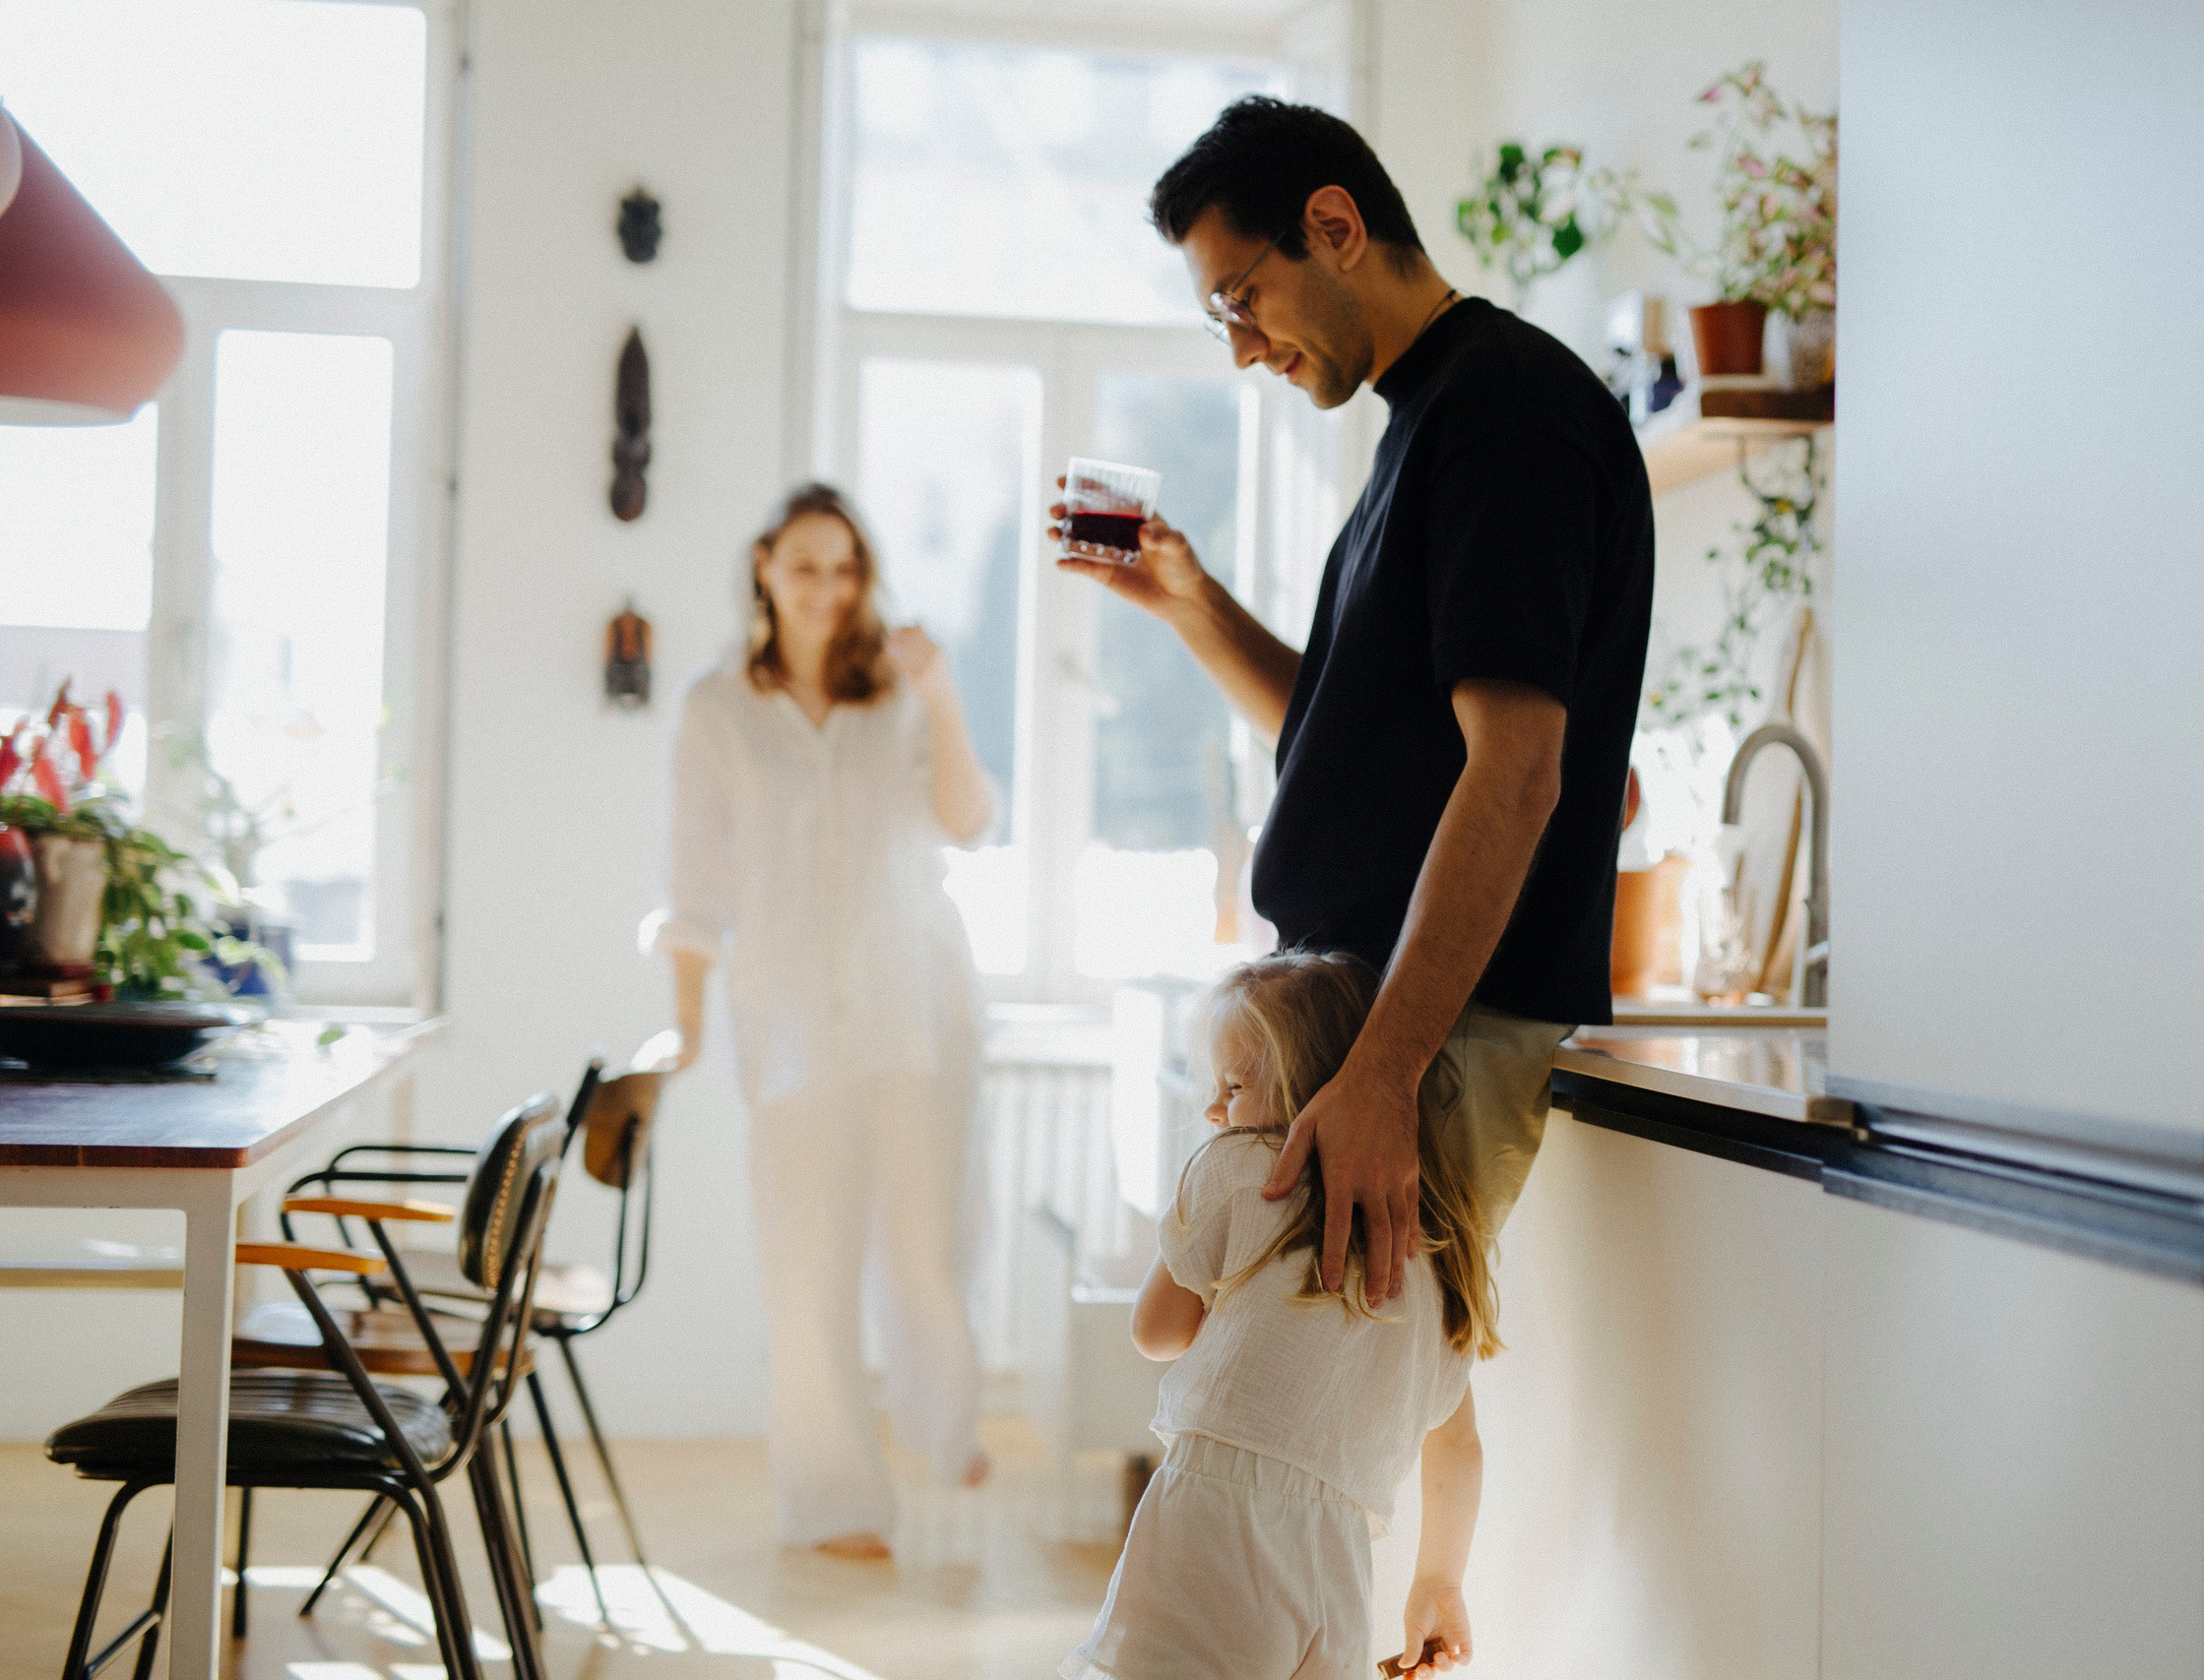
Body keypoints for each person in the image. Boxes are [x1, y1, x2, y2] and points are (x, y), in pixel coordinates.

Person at [1051, 97, 1653, 1301]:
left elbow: (1519, 769)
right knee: (1352, 1428)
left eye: (1238, 298)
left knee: (1337, 1428)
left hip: (1418, 1033)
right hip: (1375, 1020)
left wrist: (1381, 1072)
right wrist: (1192, 605)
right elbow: (1351, 748)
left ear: (1332, 226)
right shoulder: (1430, 417)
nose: (1240, 346)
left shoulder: (1504, 414)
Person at [645, 483, 996, 1559]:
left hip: (914, 1005)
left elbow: (969, 823)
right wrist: (688, 1031)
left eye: (845, 569)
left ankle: (945, 1428)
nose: (828, 589)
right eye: (806, 566)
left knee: (924, 1245)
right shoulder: (715, 709)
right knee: (805, 1269)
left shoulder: (895, 690)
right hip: (786, 1019)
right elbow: (694, 885)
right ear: (764, 567)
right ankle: (835, 1497)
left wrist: (939, 696)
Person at [1063, 952, 1491, 1680]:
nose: (1215, 1109)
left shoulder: (1240, 1169)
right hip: (1340, 1560)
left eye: (1233, 1085)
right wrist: (1436, 1582)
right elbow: (1457, 1448)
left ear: (1311, 1090)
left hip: (1216, 1526)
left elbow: (1155, 1331)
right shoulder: (1436, 1258)